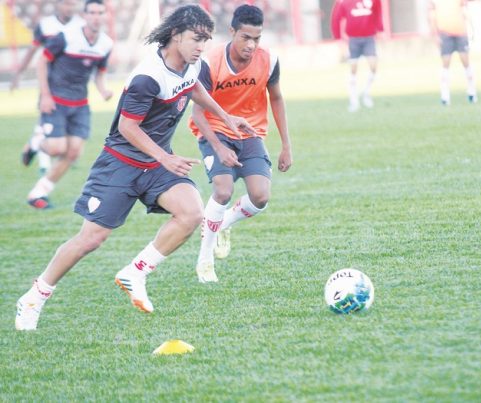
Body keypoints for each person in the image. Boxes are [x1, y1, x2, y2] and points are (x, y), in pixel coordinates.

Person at [15, 4, 256, 331]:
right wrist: (166, 158)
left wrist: (226, 116)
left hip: (155, 162)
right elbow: (128, 128)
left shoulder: (191, 64)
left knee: (191, 213)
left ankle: (135, 272)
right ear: (175, 35)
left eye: (206, 39)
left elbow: (194, 86)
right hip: (120, 165)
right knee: (90, 240)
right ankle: (35, 296)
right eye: (196, 39)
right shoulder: (148, 77)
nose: (202, 46)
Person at [188, 4, 292, 283]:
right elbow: (197, 111)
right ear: (231, 31)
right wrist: (219, 147)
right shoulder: (210, 62)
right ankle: (205, 261)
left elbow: (277, 98)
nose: (251, 44)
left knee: (261, 197)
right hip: (215, 130)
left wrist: (286, 145)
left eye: (257, 38)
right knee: (223, 190)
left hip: (250, 132)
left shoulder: (269, 60)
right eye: (245, 37)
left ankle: (223, 224)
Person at [24, 0, 113, 210]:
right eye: (92, 12)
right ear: (84, 15)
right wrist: (45, 95)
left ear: (105, 16)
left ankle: (39, 192)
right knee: (56, 148)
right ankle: (36, 142)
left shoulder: (106, 44)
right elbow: (42, 61)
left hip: (80, 104)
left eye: (100, 12)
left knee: (73, 153)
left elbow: (99, 72)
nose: (96, 16)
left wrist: (103, 90)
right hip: (55, 100)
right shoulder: (66, 36)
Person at [12, 0, 84, 174]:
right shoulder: (45, 25)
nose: (70, 7)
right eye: (66, 4)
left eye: (72, 4)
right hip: (51, 82)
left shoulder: (81, 25)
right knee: (48, 120)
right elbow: (32, 50)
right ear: (58, 5)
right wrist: (19, 73)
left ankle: (37, 145)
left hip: (72, 87)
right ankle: (44, 164)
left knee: (59, 124)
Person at [331, 0, 383, 112]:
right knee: (353, 69)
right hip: (353, 39)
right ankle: (353, 100)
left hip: (369, 38)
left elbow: (378, 13)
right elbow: (336, 19)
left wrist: (380, 29)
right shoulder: (343, 2)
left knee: (374, 66)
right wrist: (338, 38)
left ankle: (366, 93)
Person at [428, 0, 477, 105]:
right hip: (444, 34)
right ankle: (445, 96)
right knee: (445, 63)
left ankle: (472, 92)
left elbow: (465, 11)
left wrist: (471, 29)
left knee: (466, 62)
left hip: (460, 33)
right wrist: (434, 35)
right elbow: (432, 17)